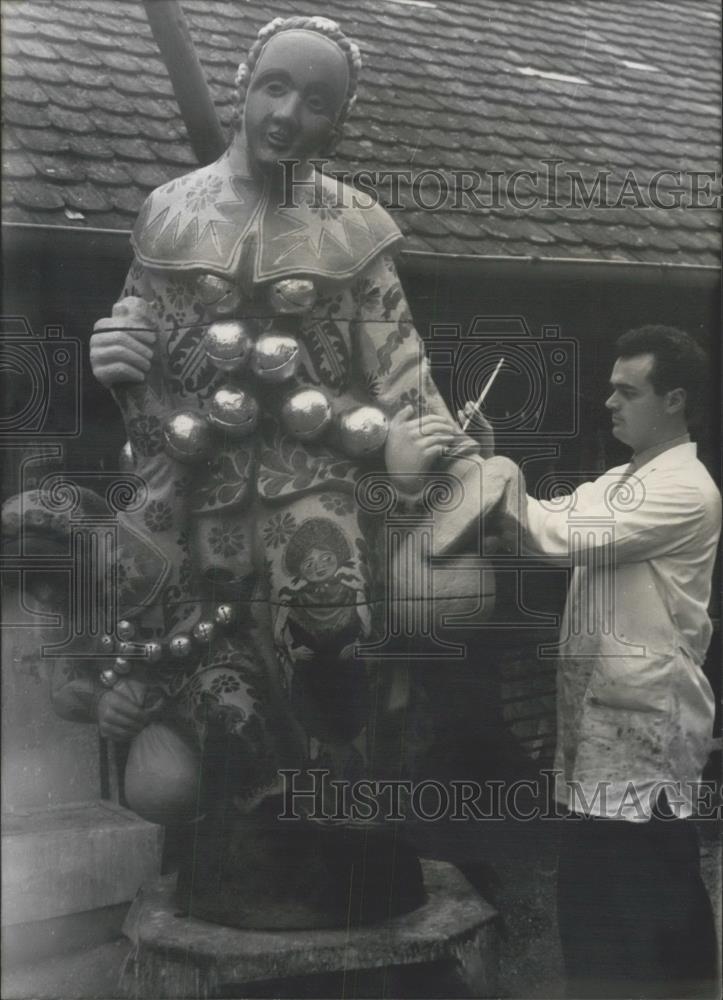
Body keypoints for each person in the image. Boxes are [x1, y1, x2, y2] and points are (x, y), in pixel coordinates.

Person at [2, 15, 517, 927]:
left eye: (316, 101)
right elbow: (140, 337)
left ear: (337, 121)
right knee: (132, 611)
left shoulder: (352, 225)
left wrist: (423, 444)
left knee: (328, 624)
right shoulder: (169, 211)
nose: (288, 112)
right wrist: (117, 354)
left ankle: (342, 832)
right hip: (182, 477)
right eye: (275, 86)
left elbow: (399, 365)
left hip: (308, 475)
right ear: (244, 83)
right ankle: (238, 833)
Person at [398, 325, 721, 997]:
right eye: (609, 388)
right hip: (606, 724)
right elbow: (541, 519)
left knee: (628, 895)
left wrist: (483, 476)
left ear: (675, 401)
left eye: (626, 391)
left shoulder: (684, 489)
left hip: (643, 728)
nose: (608, 402)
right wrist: (485, 459)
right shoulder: (619, 479)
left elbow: (556, 537)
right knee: (631, 885)